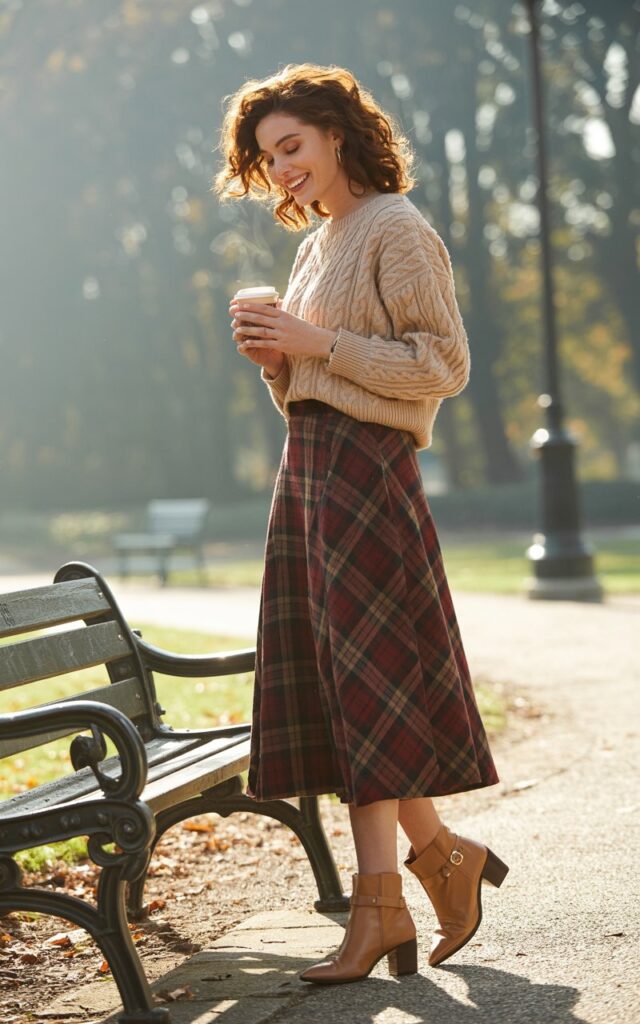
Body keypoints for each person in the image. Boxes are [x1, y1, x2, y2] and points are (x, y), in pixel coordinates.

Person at [214, 62, 508, 985]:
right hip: (310, 474)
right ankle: (439, 862)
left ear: (338, 134)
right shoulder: (315, 246)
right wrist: (275, 357)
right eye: (268, 159)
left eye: (292, 146)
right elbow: (314, 386)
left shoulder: (395, 228)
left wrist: (315, 343)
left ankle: (381, 901)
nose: (283, 170)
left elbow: (442, 366)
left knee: (366, 681)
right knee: (353, 691)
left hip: (367, 477)